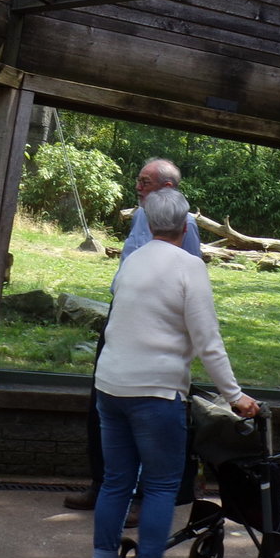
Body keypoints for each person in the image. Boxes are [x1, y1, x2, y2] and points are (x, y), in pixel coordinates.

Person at [83, 187, 259, 558]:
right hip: (155, 392)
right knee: (161, 486)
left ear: (147, 220)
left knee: (115, 483)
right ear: (186, 227)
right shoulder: (190, 266)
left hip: (109, 387)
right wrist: (235, 397)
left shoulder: (131, 263)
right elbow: (208, 343)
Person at [64, 158, 202, 512]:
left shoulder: (184, 225)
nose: (138, 187)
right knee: (101, 398)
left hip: (156, 324)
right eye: (138, 181)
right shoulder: (143, 214)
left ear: (167, 188)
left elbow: (191, 284)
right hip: (121, 315)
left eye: (145, 182)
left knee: (146, 409)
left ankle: (144, 498)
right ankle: (102, 485)